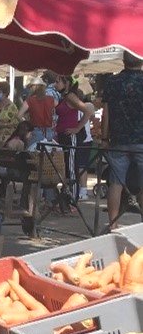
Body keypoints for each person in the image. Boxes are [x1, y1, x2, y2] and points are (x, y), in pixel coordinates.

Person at [100, 51, 143, 228]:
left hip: (117, 139)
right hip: (141, 139)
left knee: (116, 182)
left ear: (123, 61)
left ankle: (113, 223)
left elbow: (106, 112)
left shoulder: (112, 82)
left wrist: (104, 137)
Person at [54, 75, 94, 207]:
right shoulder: (64, 96)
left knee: (71, 167)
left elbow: (87, 111)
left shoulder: (71, 96)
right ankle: (68, 195)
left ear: (66, 83)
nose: (55, 84)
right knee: (66, 166)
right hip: (62, 135)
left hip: (70, 136)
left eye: (58, 81)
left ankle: (73, 198)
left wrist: (77, 128)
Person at [20, 79, 56, 148]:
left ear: (34, 87)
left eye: (30, 87)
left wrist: (26, 125)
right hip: (49, 132)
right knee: (47, 155)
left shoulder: (30, 100)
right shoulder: (51, 99)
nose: (29, 89)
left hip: (35, 131)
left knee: (33, 155)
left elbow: (18, 115)